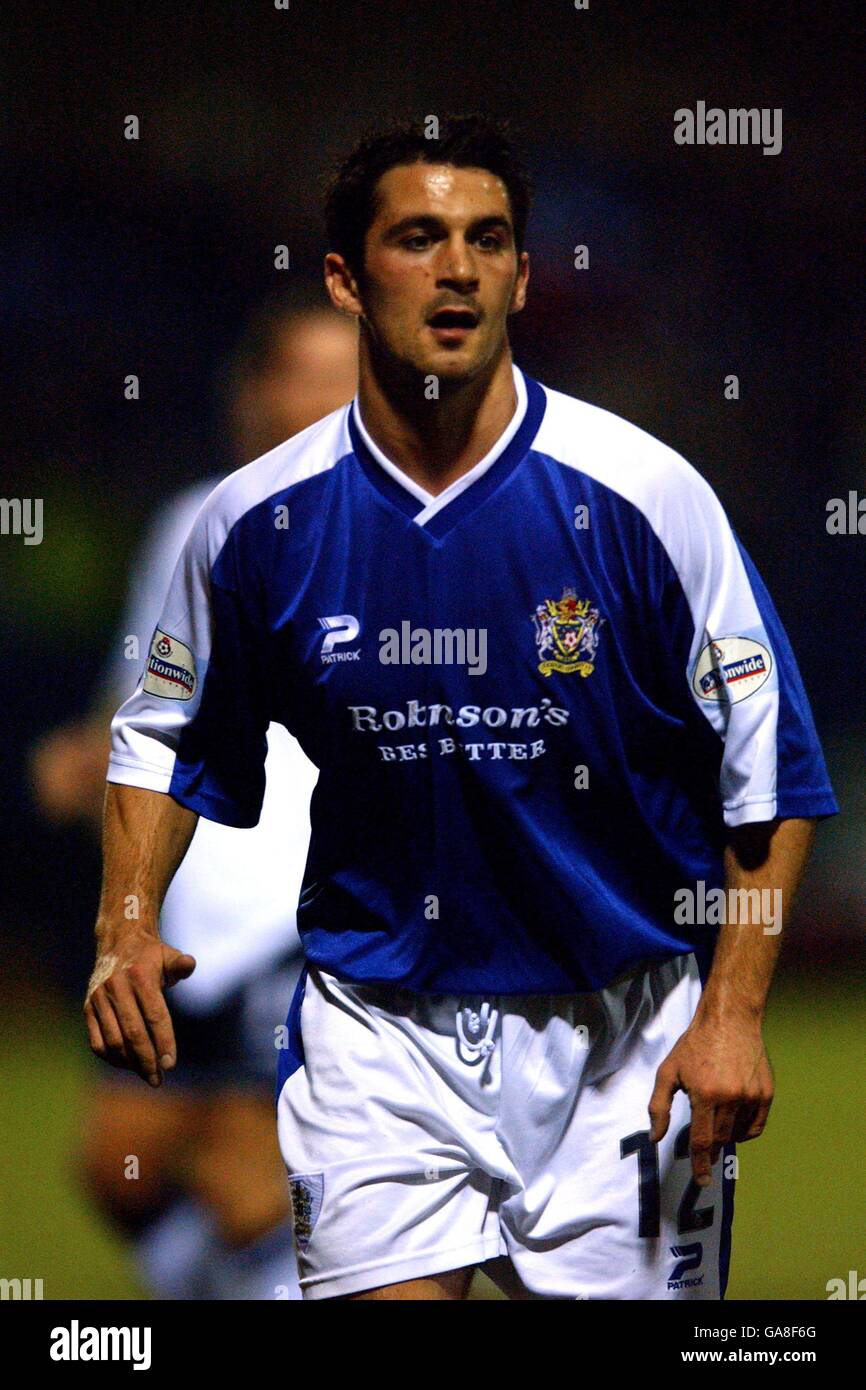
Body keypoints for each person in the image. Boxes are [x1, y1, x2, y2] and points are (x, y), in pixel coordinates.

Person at [86, 114, 837, 1301]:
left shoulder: (642, 496)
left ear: (523, 276)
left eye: (487, 240)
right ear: (343, 277)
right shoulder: (254, 524)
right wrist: (123, 922)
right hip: (374, 1036)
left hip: (619, 1045)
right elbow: (162, 739)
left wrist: (733, 1009)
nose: (455, 268)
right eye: (417, 237)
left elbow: (770, 766)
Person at [33, 296, 357, 1298]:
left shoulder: (382, 528)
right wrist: (88, 761)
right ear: (255, 389)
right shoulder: (193, 518)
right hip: (185, 910)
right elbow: (150, 710)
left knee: (247, 1167)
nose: (329, 395)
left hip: (292, 906)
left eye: (350, 373)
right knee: (115, 1161)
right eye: (306, 371)